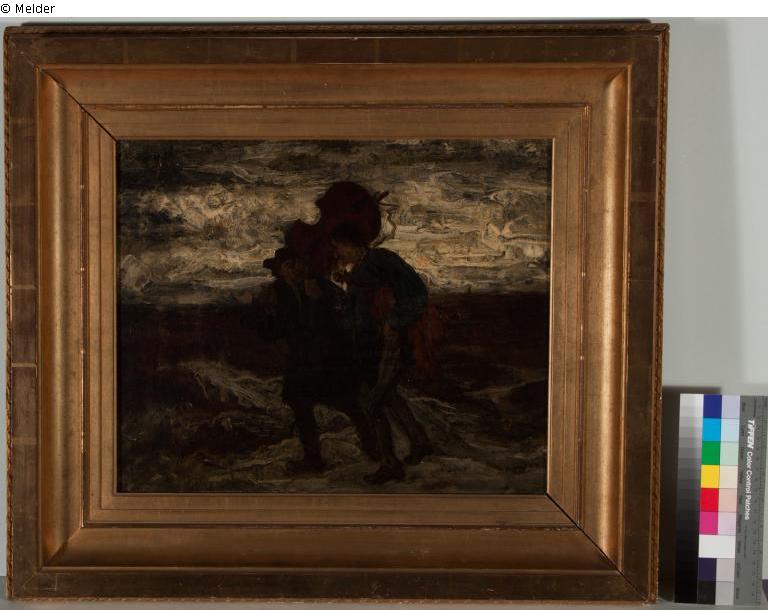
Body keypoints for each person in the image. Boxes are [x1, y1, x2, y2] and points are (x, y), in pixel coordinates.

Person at [257, 247, 378, 472]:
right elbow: (272, 333)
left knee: (349, 404)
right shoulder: (276, 292)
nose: (296, 269)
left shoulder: (322, 286)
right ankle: (313, 459)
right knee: (301, 406)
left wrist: (318, 301)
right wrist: (263, 310)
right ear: (280, 271)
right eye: (289, 265)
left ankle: (375, 451)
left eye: (298, 263)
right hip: (301, 361)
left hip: (330, 359)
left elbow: (339, 321)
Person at [330, 222, 434, 484]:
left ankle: (390, 464)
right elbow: (360, 307)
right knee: (387, 396)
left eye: (339, 247)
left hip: (390, 343)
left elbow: (417, 293)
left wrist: (395, 321)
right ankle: (420, 441)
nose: (337, 253)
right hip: (368, 346)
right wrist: (345, 285)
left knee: (373, 402)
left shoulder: (382, 259)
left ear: (352, 244)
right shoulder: (358, 268)